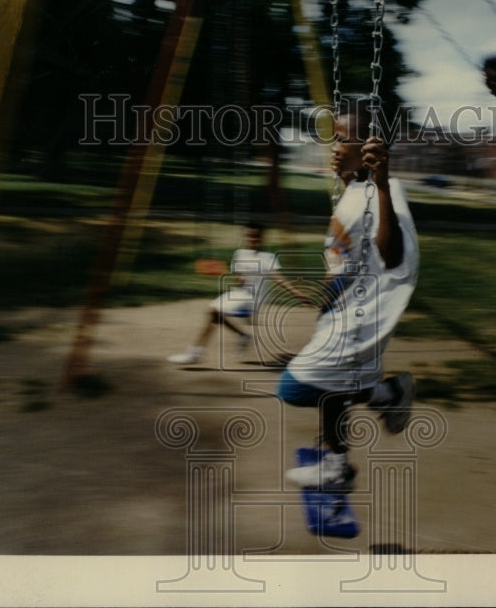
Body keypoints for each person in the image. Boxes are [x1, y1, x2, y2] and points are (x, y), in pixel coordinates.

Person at [278, 101, 419, 491]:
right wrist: (326, 300)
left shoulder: (381, 191)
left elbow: (393, 258)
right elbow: (348, 259)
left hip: (358, 321)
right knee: (331, 391)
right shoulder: (355, 191)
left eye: (342, 139)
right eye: (333, 139)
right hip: (341, 313)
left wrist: (384, 180)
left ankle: (388, 392)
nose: (334, 147)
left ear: (369, 148)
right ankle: (337, 467)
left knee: (295, 387)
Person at [167, 223, 302, 365]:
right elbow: (239, 279)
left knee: (214, 311)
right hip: (240, 294)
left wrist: (295, 292)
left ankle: (195, 353)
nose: (253, 239)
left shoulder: (267, 257)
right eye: (250, 235)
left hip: (254, 299)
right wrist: (240, 278)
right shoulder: (240, 254)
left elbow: (277, 277)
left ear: (262, 238)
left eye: (256, 236)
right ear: (246, 236)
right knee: (213, 313)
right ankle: (242, 336)